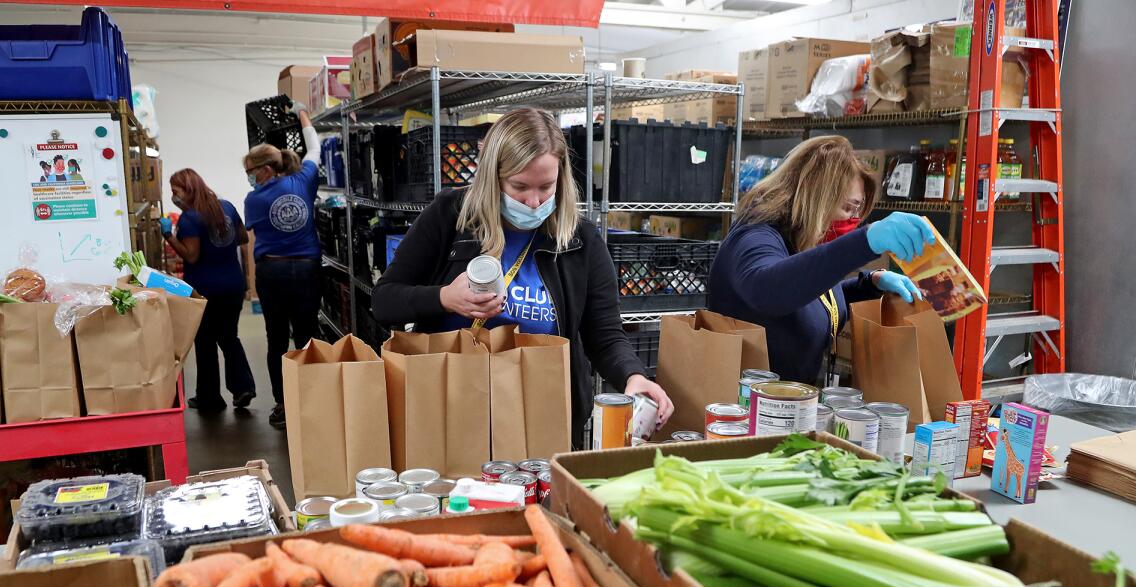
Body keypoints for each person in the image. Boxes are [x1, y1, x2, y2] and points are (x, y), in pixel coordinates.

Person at [373, 107, 673, 446]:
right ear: (493, 178)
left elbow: (604, 335)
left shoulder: (581, 242)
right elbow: (384, 301)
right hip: (448, 416)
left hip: (541, 420)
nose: (533, 202)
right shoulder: (450, 216)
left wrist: (633, 376)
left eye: (546, 187)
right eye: (519, 187)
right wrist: (444, 297)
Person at [708, 135, 930, 385]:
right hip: (743, 410)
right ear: (817, 198)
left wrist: (869, 284)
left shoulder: (801, 242)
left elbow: (808, 300)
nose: (853, 220)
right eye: (848, 207)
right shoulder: (756, 236)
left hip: (789, 407)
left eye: (858, 213)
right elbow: (769, 291)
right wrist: (864, 242)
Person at [242, 103, 321, 430]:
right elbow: (313, 146)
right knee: (306, 336)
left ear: (265, 170)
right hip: (307, 270)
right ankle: (313, 397)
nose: (248, 178)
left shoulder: (254, 200)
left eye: (250, 171)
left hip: (273, 274)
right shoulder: (303, 180)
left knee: (276, 339)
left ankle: (282, 402)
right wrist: (303, 113)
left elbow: (252, 233)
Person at [162, 168, 256, 413]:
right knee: (229, 337)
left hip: (205, 290)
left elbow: (191, 256)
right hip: (233, 286)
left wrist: (168, 236)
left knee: (205, 341)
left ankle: (209, 398)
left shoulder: (190, 218)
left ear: (188, 190)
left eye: (176, 191)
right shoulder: (226, 207)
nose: (174, 196)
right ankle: (243, 387)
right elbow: (243, 240)